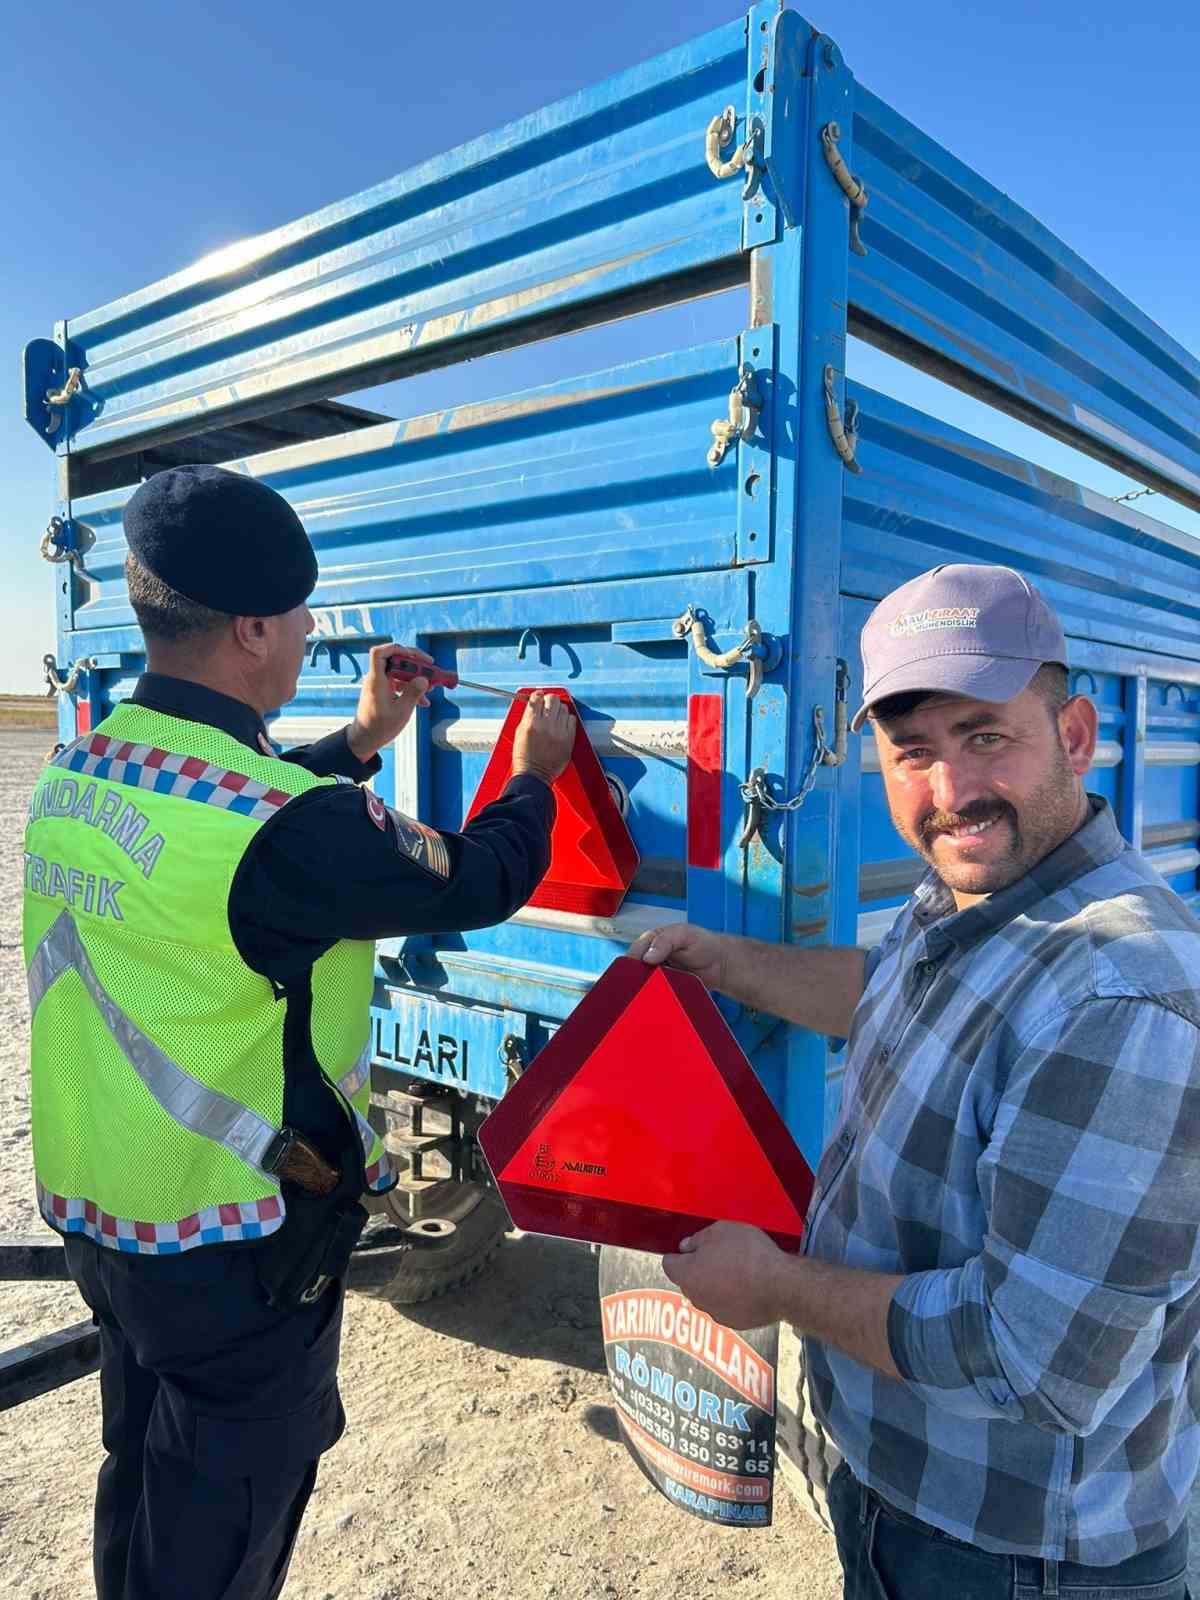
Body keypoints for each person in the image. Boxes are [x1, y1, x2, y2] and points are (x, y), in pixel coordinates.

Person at [23, 463, 575, 1600]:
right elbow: (476, 878)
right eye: (303, 615)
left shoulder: (82, 765)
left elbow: (244, 818)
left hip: (107, 1214)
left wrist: (367, 735)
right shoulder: (283, 829)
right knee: (219, 1533)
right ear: (252, 629)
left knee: (143, 1471)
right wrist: (535, 779)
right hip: (234, 1252)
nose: (315, 630)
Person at [631, 564, 1200, 1600]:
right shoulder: (973, 894)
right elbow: (891, 986)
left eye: (987, 736)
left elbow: (1033, 1360)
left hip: (1018, 1558)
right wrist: (731, 962)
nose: (950, 792)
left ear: (1073, 735)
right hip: (910, 1494)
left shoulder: (1121, 997)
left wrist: (778, 1289)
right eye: (913, 752)